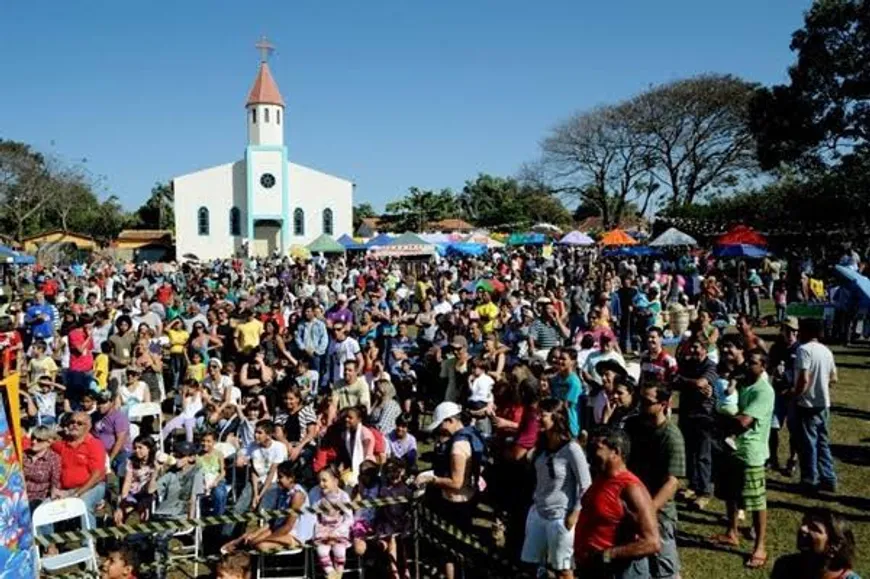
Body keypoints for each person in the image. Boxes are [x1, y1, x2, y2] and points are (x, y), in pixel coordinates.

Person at [712, 348, 775, 569]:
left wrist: (721, 419)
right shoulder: (741, 384)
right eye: (747, 361)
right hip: (733, 449)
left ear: (763, 366)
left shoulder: (764, 391)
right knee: (731, 493)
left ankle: (760, 546)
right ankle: (732, 531)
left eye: (753, 362)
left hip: (751, 452)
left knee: (756, 501)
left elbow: (743, 422)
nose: (748, 365)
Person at [575, 427, 661, 578]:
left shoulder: (631, 488)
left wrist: (609, 554)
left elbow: (652, 542)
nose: (590, 453)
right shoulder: (601, 478)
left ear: (616, 452)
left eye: (597, 448)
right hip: (593, 569)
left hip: (619, 572)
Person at [521, 399, 591, 579]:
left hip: (560, 517)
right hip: (539, 512)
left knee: (563, 569)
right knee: (530, 564)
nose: (538, 419)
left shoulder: (572, 449)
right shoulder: (542, 447)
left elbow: (586, 484)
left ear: (556, 418)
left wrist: (575, 513)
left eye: (542, 415)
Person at [416, 401, 486, 579]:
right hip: (465, 500)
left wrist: (431, 479)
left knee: (450, 551)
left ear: (450, 420)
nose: (441, 430)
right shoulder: (469, 437)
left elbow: (456, 482)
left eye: (442, 425)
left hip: (456, 504)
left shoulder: (457, 447)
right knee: (456, 549)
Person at [625, 383, 685, 579]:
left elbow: (672, 482)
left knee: (665, 568)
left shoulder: (671, 436)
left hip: (658, 512)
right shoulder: (633, 426)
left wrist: (647, 511)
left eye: (647, 402)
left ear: (663, 404)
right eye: (639, 400)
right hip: (631, 506)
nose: (641, 405)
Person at [790, 318, 838, 492]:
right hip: (823, 403)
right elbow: (834, 378)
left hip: (807, 403)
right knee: (823, 442)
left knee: (808, 444)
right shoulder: (826, 351)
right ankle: (829, 477)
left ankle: (810, 479)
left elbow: (804, 378)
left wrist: (796, 396)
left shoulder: (804, 350)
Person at [222, 460, 313, 553]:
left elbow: (288, 526)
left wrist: (263, 539)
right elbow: (273, 522)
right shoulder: (283, 492)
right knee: (249, 538)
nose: (278, 480)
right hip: (280, 529)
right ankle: (233, 547)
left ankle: (240, 554)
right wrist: (255, 535)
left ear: (291, 478)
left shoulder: (297, 495)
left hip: (296, 535)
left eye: (281, 477)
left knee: (260, 545)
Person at [672, 335, 718, 510]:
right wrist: (690, 383)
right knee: (689, 451)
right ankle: (693, 484)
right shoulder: (688, 364)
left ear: (705, 349)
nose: (693, 351)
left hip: (704, 415)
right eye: (691, 347)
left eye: (697, 347)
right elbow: (675, 380)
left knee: (703, 454)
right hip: (687, 412)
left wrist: (686, 382)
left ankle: (704, 491)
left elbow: (701, 382)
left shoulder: (711, 367)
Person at [52, 411, 107, 528]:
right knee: (43, 508)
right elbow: (44, 440)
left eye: (79, 423)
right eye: (72, 422)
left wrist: (78, 493)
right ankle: (49, 545)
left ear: (88, 427)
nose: (74, 425)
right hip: (66, 489)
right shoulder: (62, 444)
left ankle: (89, 542)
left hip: (92, 487)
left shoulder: (94, 444)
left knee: (83, 504)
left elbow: (97, 475)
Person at [770, 508, 861, 579]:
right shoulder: (785, 566)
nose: (803, 528)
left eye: (814, 528)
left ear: (834, 544)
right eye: (804, 523)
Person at [768, 316, 801, 474]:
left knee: (794, 430)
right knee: (772, 427)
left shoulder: (800, 350)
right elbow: (768, 368)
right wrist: (775, 370)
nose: (789, 334)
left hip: (794, 395)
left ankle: (792, 459)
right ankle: (772, 458)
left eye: (792, 331)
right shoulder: (776, 348)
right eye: (786, 330)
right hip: (778, 394)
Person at [312, 465, 353, 579]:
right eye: (319, 480)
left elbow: (349, 517)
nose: (321, 484)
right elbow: (314, 515)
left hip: (338, 528)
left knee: (340, 551)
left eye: (324, 480)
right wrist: (319, 532)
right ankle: (331, 573)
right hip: (323, 528)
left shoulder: (343, 496)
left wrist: (338, 532)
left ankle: (339, 574)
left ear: (335, 480)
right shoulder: (318, 496)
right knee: (321, 551)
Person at [23, 425, 62, 513]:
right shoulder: (23, 454)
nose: (33, 441)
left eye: (39, 440)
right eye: (33, 438)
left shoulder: (54, 459)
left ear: (49, 442)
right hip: (20, 495)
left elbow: (55, 482)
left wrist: (54, 495)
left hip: (38, 497)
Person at [550, 348, 583, 438]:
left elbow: (566, 405)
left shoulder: (574, 382)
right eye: (559, 358)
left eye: (563, 359)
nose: (559, 361)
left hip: (569, 425)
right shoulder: (555, 379)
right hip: (555, 423)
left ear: (572, 362)